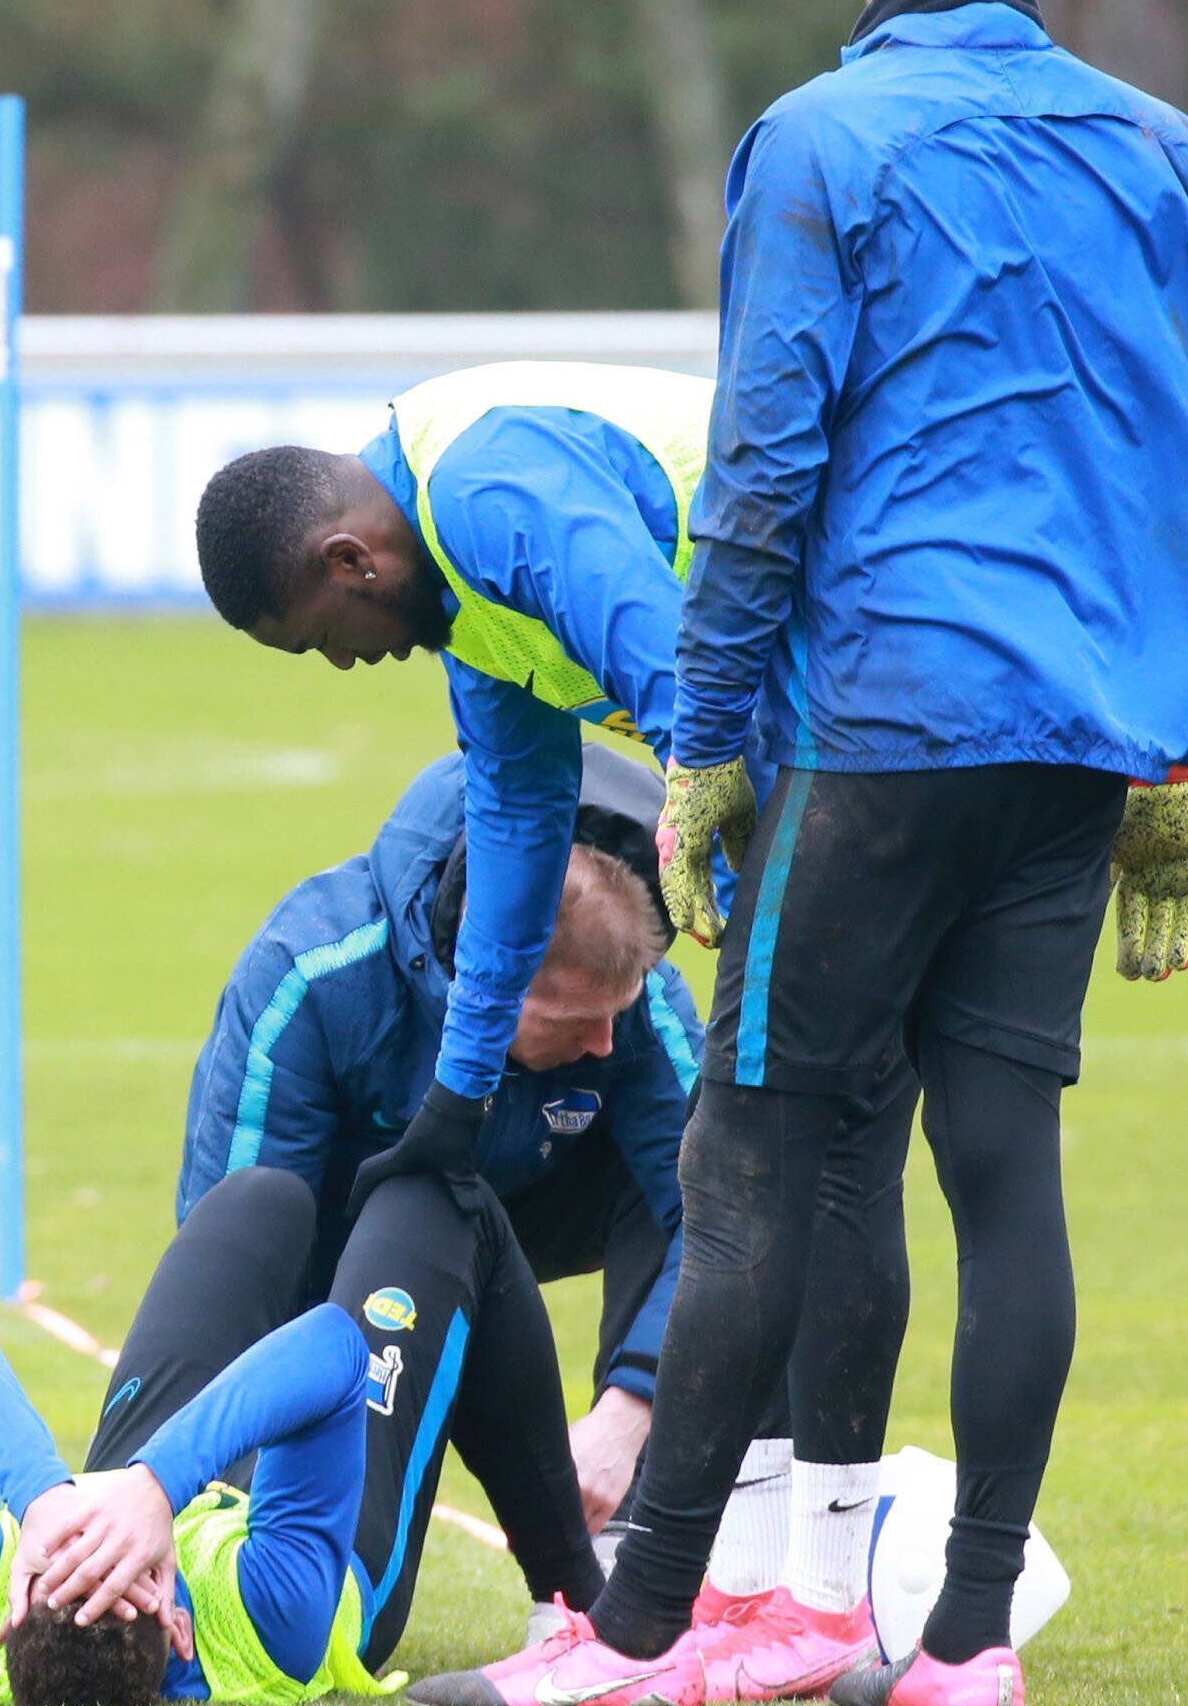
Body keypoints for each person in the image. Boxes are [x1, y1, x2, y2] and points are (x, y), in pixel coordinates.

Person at [429, 0, 1188, 1706]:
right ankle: (957, 1643)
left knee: (754, 1154)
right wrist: (1176, 765)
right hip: (1079, 737)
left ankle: (637, 1636)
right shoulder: (1167, 150)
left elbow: (767, 477)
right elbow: (1187, 462)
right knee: (999, 1162)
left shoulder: (819, 136)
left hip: (881, 721)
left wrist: (705, 748)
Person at [188, 371, 914, 1700]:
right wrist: (458, 1097)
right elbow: (519, 827)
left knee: (792, 1155)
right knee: (768, 1156)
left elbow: (692, 682)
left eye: (321, 637)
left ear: (349, 561)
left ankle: (807, 1607)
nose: (345, 664)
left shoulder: (486, 492)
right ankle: (722, 1599)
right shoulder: (471, 614)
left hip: (912, 634)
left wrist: (754, 931)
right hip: (836, 715)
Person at [176, 745, 702, 1569]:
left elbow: (722, 1224)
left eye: (618, 1013)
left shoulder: (634, 1003)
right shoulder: (311, 976)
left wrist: (628, 1415)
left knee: (716, 1180)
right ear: (492, 984)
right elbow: (229, 1265)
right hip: (353, 1247)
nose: (605, 1042)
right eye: (574, 1024)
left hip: (530, 1212)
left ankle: (636, 1550)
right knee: (335, 1555)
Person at [0, 1163, 596, 1703]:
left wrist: (43, 1497)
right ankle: (576, 1592)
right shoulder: (265, 1625)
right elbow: (331, 1349)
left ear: (18, 1602)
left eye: (77, 1544)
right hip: (306, 1548)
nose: (88, 1539)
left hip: (145, 1476)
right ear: (178, 1631)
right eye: (105, 1550)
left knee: (262, 1199)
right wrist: (155, 1488)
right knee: (436, 1204)